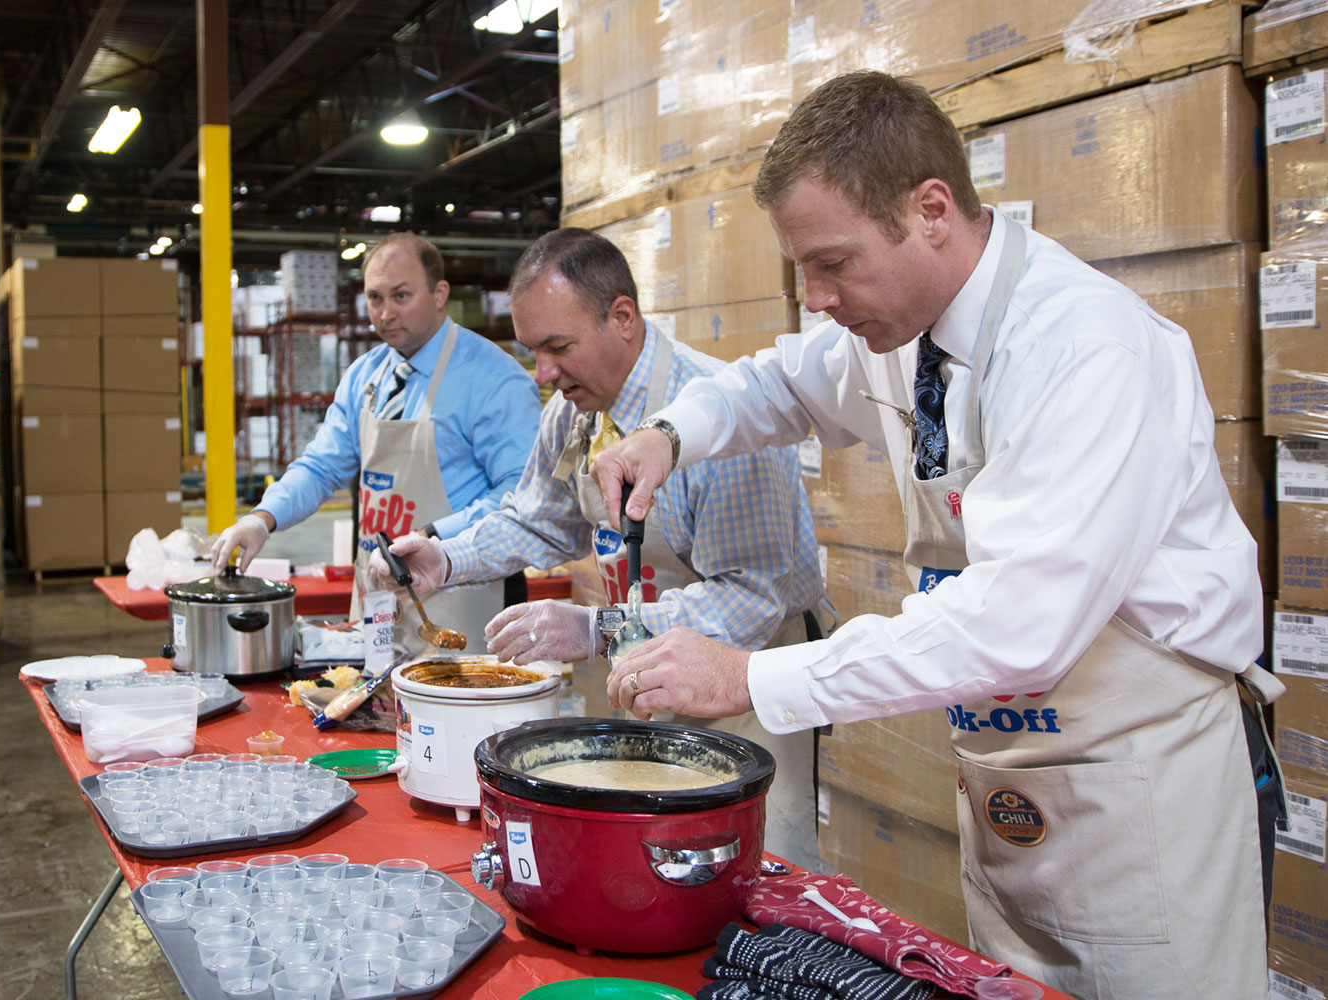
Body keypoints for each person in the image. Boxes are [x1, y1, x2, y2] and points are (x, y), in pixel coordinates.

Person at [592, 70, 1280, 999]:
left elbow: (1014, 624)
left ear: (931, 210)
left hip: (1141, 788)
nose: (817, 297)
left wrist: (750, 676)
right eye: (803, 269)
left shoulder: (1083, 349)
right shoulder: (901, 333)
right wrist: (668, 435)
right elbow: (776, 384)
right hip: (1010, 771)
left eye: (833, 263)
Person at [367, 228, 833, 870]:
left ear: (622, 318)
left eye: (558, 348)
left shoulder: (724, 422)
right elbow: (538, 520)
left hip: (746, 680)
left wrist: (596, 629)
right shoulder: (573, 412)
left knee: (750, 866)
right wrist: (447, 559)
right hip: (640, 660)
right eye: (534, 351)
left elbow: (747, 602)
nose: (545, 374)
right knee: (649, 857)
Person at [211, 233, 542, 654]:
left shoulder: (495, 380)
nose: (386, 313)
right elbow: (321, 466)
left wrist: (435, 536)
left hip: (468, 595)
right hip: (380, 597)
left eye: (401, 295)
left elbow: (521, 495)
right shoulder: (365, 377)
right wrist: (262, 518)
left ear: (440, 293)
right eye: (375, 298)